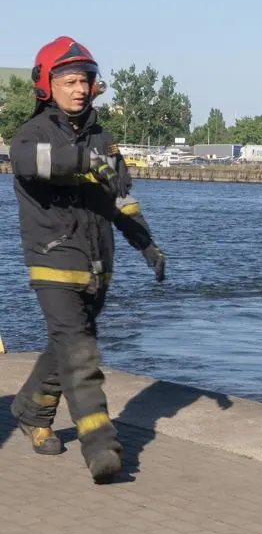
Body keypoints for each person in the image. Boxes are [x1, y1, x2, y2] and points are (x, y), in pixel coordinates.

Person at [9, 36, 166, 484]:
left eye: (86, 81)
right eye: (70, 81)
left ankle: (31, 411)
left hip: (99, 265)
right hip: (52, 262)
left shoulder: (103, 138)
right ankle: (101, 447)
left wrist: (146, 244)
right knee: (80, 353)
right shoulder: (32, 135)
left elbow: (121, 201)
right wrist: (85, 160)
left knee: (66, 345)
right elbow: (25, 162)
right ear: (47, 86)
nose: (80, 89)